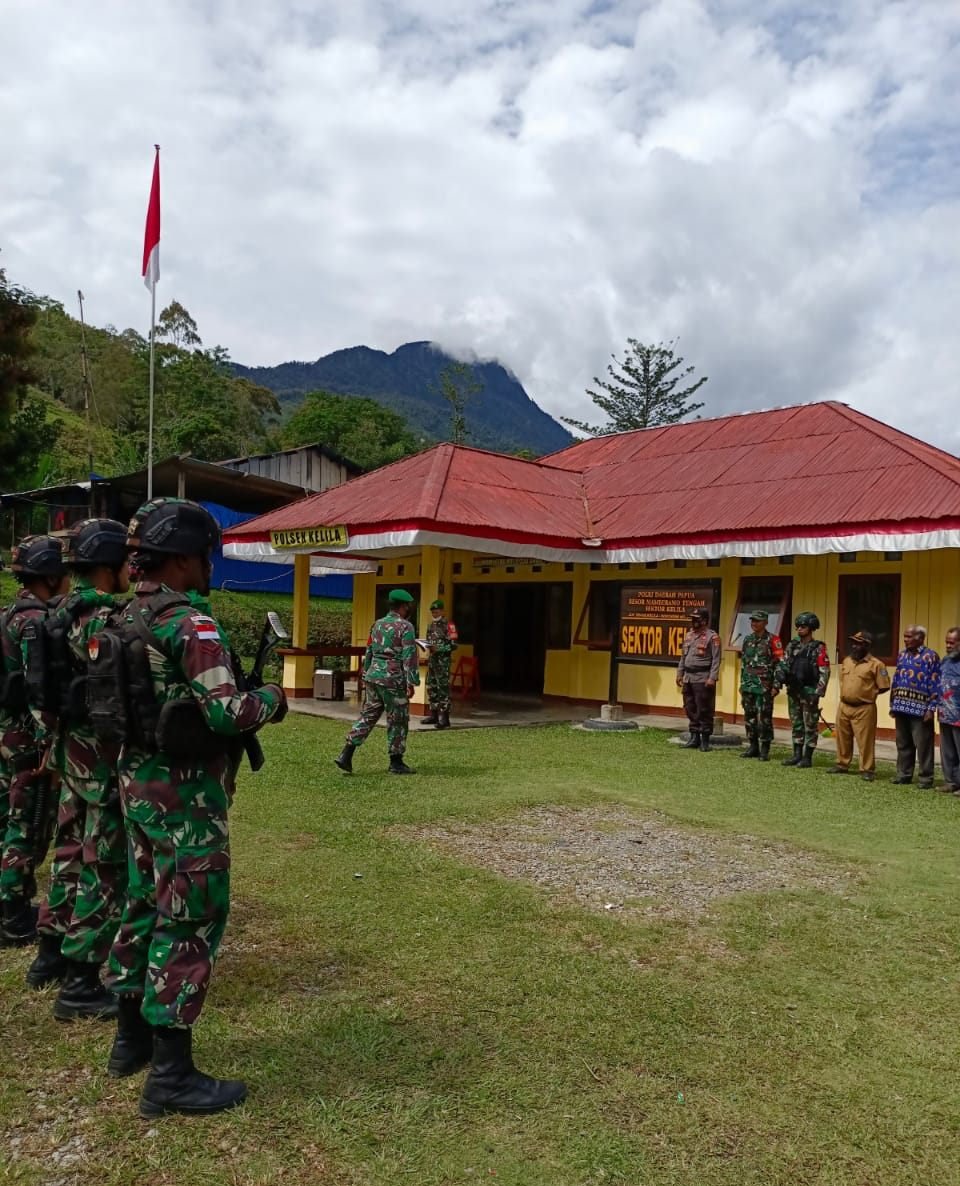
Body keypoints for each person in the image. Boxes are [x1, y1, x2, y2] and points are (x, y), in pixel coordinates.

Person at [103, 498, 287, 1117]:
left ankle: (129, 1042)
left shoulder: (125, 616)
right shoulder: (189, 624)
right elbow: (226, 712)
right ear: (183, 558)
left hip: (136, 786)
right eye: (205, 556)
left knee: (142, 902)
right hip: (184, 795)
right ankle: (172, 1075)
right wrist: (269, 696)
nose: (209, 566)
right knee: (189, 915)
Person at [26, 520, 131, 1016]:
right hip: (99, 757)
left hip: (67, 750)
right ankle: (83, 981)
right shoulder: (104, 617)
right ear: (111, 566)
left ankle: (50, 953)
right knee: (103, 862)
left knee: (68, 849)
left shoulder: (59, 611)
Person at [0, 535, 70, 945]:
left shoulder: (8, 614)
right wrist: (50, 742)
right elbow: (38, 686)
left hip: (5, 732)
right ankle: (13, 916)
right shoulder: (35, 622)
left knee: (8, 821)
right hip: (26, 738)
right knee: (26, 825)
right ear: (50, 575)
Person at [335, 589, 420, 774]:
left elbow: (369, 651)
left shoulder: (377, 625)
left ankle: (346, 753)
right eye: (408, 606)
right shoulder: (406, 627)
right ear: (403, 606)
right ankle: (396, 762)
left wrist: (365, 675)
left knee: (368, 716)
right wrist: (411, 682)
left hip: (374, 677)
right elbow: (409, 657)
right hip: (393, 679)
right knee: (398, 719)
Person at [826, 631, 891, 782]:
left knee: (865, 741)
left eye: (858, 643)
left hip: (864, 708)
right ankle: (842, 764)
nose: (854, 646)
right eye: (853, 643)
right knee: (843, 738)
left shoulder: (876, 664)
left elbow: (884, 686)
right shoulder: (847, 660)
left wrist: (867, 694)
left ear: (867, 646)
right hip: (844, 706)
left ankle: (867, 769)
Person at [774, 611, 830, 768]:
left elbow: (824, 671)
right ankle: (796, 754)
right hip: (794, 690)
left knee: (810, 725)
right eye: (797, 626)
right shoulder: (792, 645)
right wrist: (780, 675)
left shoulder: (818, 648)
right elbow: (783, 663)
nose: (799, 629)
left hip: (809, 691)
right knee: (796, 723)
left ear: (811, 628)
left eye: (803, 626)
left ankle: (807, 757)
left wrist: (818, 692)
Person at [890, 625, 940, 789]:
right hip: (901, 706)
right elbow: (896, 679)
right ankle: (903, 774)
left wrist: (931, 708)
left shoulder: (930, 656)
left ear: (920, 637)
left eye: (909, 637)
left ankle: (926, 778)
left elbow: (935, 683)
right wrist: (893, 703)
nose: (905, 640)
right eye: (904, 636)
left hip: (920, 709)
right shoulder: (902, 655)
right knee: (903, 743)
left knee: (923, 745)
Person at [738, 610, 783, 762]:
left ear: (765, 622)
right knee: (749, 716)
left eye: (757, 621)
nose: (754, 623)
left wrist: (776, 685)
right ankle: (753, 746)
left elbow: (780, 664)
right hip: (748, 684)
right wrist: (742, 683)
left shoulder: (773, 640)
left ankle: (765, 748)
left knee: (764, 717)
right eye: (752, 621)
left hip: (764, 685)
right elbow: (744, 663)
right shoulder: (747, 639)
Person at [676, 608, 721, 752]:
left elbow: (716, 659)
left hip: (703, 678)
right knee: (690, 707)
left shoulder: (712, 637)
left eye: (697, 619)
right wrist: (679, 673)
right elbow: (683, 657)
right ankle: (694, 737)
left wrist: (712, 678)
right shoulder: (689, 636)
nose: (694, 621)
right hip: (689, 677)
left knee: (704, 709)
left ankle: (705, 740)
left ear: (705, 621)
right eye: (693, 618)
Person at [421, 598, 458, 730]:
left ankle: (444, 718)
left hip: (443, 662)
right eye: (433, 612)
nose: (434, 615)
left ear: (442, 611)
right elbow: (429, 640)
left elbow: (454, 645)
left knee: (443, 689)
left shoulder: (449, 625)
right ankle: (434, 714)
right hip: (433, 661)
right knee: (432, 687)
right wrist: (426, 646)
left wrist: (440, 649)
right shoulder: (431, 626)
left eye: (436, 612)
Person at [937, 627, 960, 793]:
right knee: (947, 752)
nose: (948, 645)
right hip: (945, 714)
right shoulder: (945, 661)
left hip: (959, 715)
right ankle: (950, 782)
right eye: (947, 642)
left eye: (952, 642)